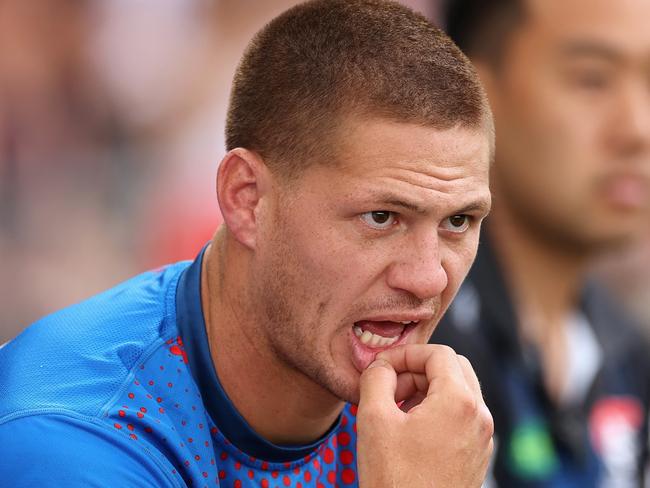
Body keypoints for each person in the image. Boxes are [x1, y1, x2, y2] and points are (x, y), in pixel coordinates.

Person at [0, 1, 495, 486]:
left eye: (458, 221)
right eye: (381, 217)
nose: (429, 277)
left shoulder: (437, 424)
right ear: (246, 199)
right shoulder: (73, 443)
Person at [430, 0, 650, 486]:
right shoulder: (406, 338)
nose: (638, 129)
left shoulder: (630, 359)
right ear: (474, 94)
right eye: (593, 79)